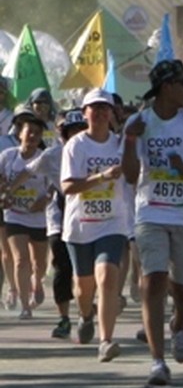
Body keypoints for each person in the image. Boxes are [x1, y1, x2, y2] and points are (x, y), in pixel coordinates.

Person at [121, 59, 183, 386]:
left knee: (182, 287)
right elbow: (131, 176)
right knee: (153, 280)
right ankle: (157, 361)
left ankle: (178, 323)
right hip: (150, 212)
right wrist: (131, 141)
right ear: (166, 87)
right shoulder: (139, 122)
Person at [60, 89, 133, 361]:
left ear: (113, 113)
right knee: (83, 287)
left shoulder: (121, 145)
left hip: (112, 224)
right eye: (95, 108)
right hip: (80, 226)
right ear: (85, 112)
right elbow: (68, 187)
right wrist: (102, 176)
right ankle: (86, 314)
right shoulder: (76, 146)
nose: (101, 113)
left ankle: (106, 340)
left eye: (106, 108)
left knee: (108, 277)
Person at [40, 108, 88, 339]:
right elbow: (27, 168)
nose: (77, 134)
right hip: (58, 220)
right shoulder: (52, 155)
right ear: (64, 133)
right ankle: (64, 318)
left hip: (87, 219)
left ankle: (84, 312)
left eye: (82, 129)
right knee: (62, 267)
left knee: (84, 271)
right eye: (72, 130)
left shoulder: (95, 150)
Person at [0, 105, 51, 320]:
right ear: (19, 133)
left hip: (38, 217)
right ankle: (24, 306)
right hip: (15, 215)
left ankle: (36, 282)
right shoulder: (7, 156)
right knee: (21, 260)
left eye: (37, 133)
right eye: (28, 131)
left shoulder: (45, 158)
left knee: (39, 264)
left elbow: (54, 188)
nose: (32, 136)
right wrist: (4, 193)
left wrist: (44, 200)